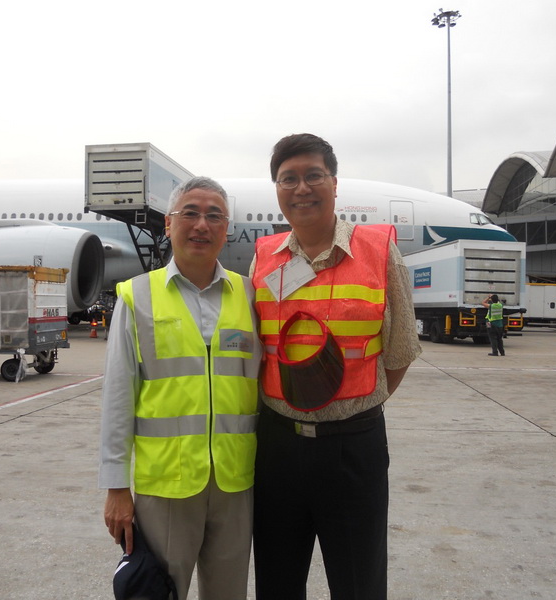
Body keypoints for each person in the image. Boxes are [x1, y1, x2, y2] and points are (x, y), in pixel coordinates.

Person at [250, 133, 422, 600]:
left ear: (334, 183)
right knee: (277, 582)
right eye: (289, 179)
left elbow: (401, 349)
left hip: (353, 448)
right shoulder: (264, 259)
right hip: (277, 448)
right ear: (278, 190)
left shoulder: (378, 250)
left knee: (359, 583)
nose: (301, 187)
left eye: (313, 176)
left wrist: (356, 404)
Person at [99, 176, 262, 600]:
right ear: (169, 225)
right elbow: (119, 396)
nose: (201, 225)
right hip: (166, 485)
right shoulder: (138, 296)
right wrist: (117, 487)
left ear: (226, 230)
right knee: (159, 591)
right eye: (190, 213)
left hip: (235, 483)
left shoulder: (249, 296)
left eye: (214, 216)